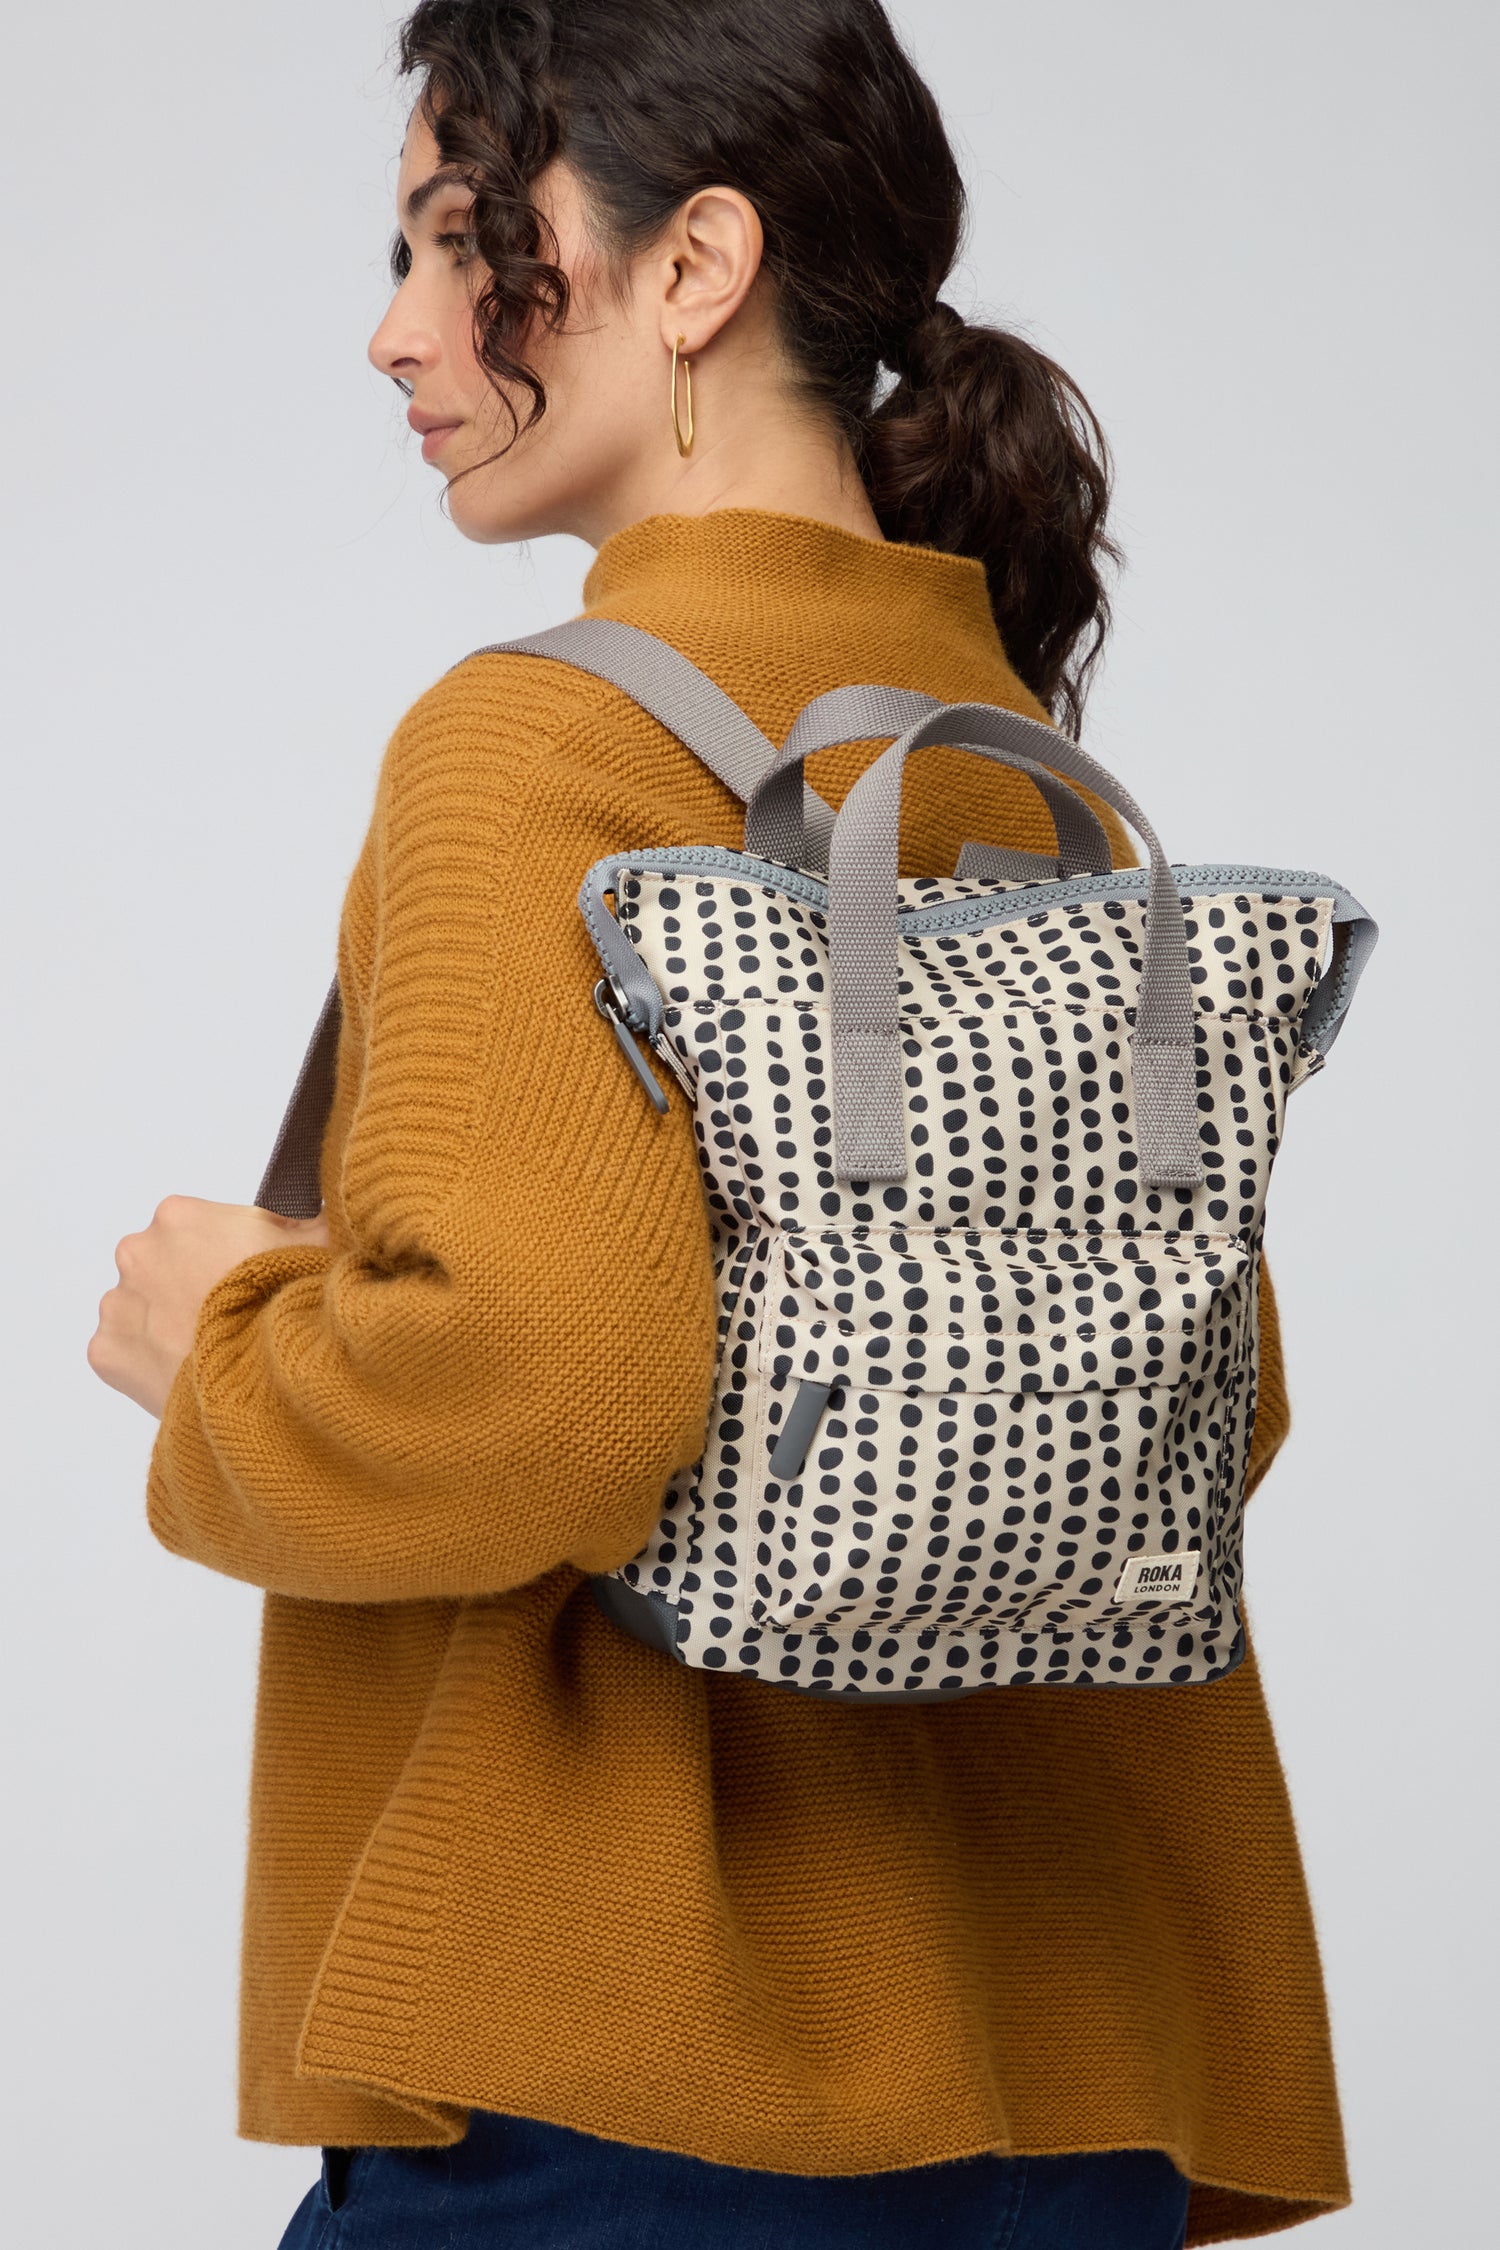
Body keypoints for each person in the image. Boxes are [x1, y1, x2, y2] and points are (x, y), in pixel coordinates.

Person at [87, 3, 1349, 2243]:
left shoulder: (527, 746)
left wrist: (236, 1353)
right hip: (1081, 2088)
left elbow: (541, 1388)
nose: (392, 333)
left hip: (630, 2081)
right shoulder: (1022, 780)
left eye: (455, 242)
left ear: (695, 272)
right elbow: (1211, 1412)